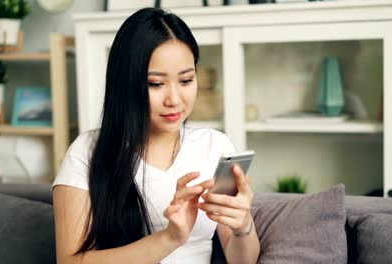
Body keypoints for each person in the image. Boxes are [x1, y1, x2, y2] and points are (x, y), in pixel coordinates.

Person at [52, 7, 260, 264]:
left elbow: (243, 261)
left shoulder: (215, 146)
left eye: (185, 81)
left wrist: (242, 225)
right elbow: (69, 261)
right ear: (125, 83)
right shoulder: (87, 151)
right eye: (156, 84)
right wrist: (170, 238)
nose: (174, 100)